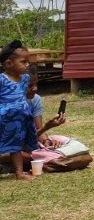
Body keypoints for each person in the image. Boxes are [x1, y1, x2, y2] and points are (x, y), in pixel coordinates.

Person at [1, 41, 62, 180]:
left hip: (21, 120)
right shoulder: (2, 80)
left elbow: (22, 97)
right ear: (9, 64)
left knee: (16, 147)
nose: (27, 65)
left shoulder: (25, 79)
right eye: (23, 62)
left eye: (28, 61)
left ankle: (19, 173)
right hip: (4, 120)